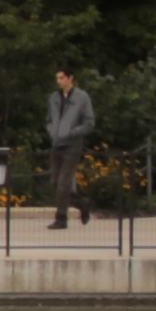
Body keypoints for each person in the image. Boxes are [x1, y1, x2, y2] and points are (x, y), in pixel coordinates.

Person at [44, 66, 98, 230]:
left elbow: (89, 122)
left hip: (73, 143)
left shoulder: (82, 97)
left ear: (70, 78)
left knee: (64, 183)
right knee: (55, 182)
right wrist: (52, 132)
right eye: (58, 78)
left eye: (62, 78)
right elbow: (48, 120)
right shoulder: (54, 98)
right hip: (57, 143)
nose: (59, 81)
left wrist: (72, 132)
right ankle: (82, 203)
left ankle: (61, 218)